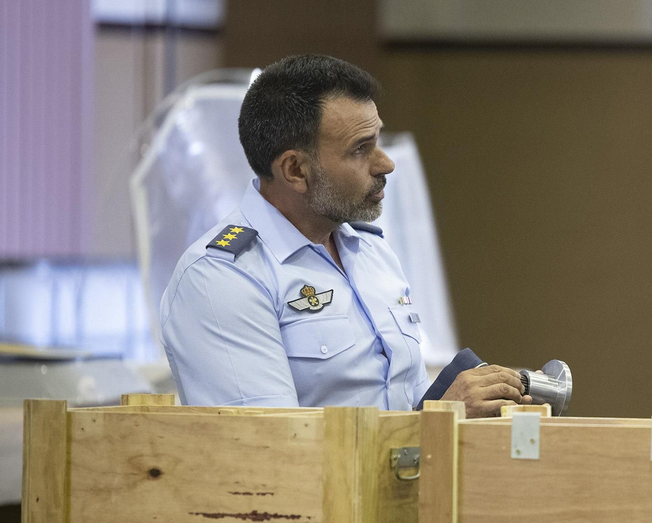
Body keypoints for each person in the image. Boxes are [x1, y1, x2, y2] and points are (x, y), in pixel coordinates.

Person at [160, 55, 526, 417]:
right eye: (360, 149)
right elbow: (271, 443)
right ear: (295, 170)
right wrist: (440, 417)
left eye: (377, 141)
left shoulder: (372, 251)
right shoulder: (221, 278)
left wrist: (479, 404)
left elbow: (408, 402)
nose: (385, 164)